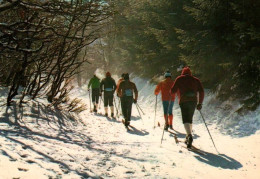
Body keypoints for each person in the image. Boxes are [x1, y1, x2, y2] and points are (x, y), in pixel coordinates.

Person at [171, 67, 204, 148]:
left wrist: (171, 93)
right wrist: (200, 103)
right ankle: (187, 136)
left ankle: (189, 136)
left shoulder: (179, 78)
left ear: (182, 73)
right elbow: (202, 91)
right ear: (190, 73)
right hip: (193, 101)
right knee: (190, 118)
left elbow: (173, 91)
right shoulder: (196, 80)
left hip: (184, 101)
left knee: (185, 119)